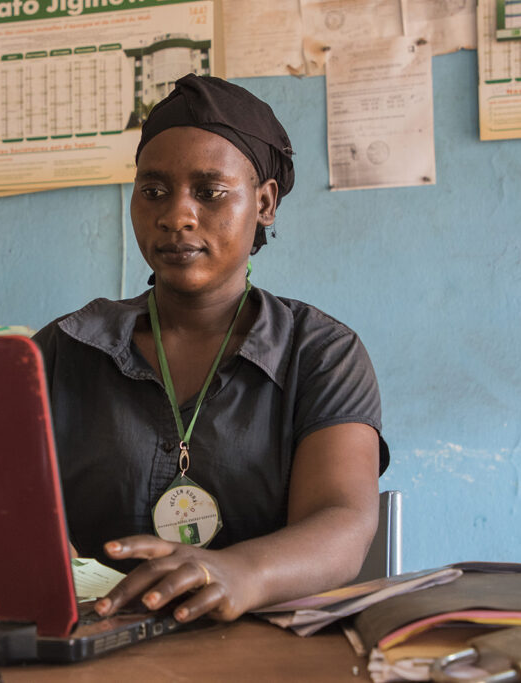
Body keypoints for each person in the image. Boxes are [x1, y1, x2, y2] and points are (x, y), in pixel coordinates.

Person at [33, 74, 389, 625]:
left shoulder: (320, 353)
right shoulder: (66, 349)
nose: (177, 215)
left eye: (210, 191)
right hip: (91, 645)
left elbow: (342, 520)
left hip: (261, 651)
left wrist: (242, 572)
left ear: (265, 203)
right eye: (153, 191)